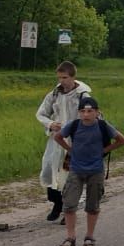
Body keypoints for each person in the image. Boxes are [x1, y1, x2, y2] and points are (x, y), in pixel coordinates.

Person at [53, 96, 124, 246]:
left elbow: (122, 140)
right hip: (76, 170)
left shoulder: (103, 126)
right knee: (69, 204)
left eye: (90, 111)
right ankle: (70, 237)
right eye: (82, 111)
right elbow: (58, 136)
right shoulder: (73, 125)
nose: (86, 114)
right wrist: (70, 149)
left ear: (97, 112)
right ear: (79, 112)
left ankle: (89, 236)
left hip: (95, 170)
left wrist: (104, 151)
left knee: (92, 206)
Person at [35, 61, 93, 223]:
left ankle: (70, 210)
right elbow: (41, 113)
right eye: (59, 77)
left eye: (65, 77)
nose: (61, 81)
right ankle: (57, 204)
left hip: (75, 143)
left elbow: (91, 117)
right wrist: (51, 124)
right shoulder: (55, 94)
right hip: (56, 141)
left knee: (71, 176)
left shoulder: (83, 96)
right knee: (50, 170)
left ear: (73, 77)